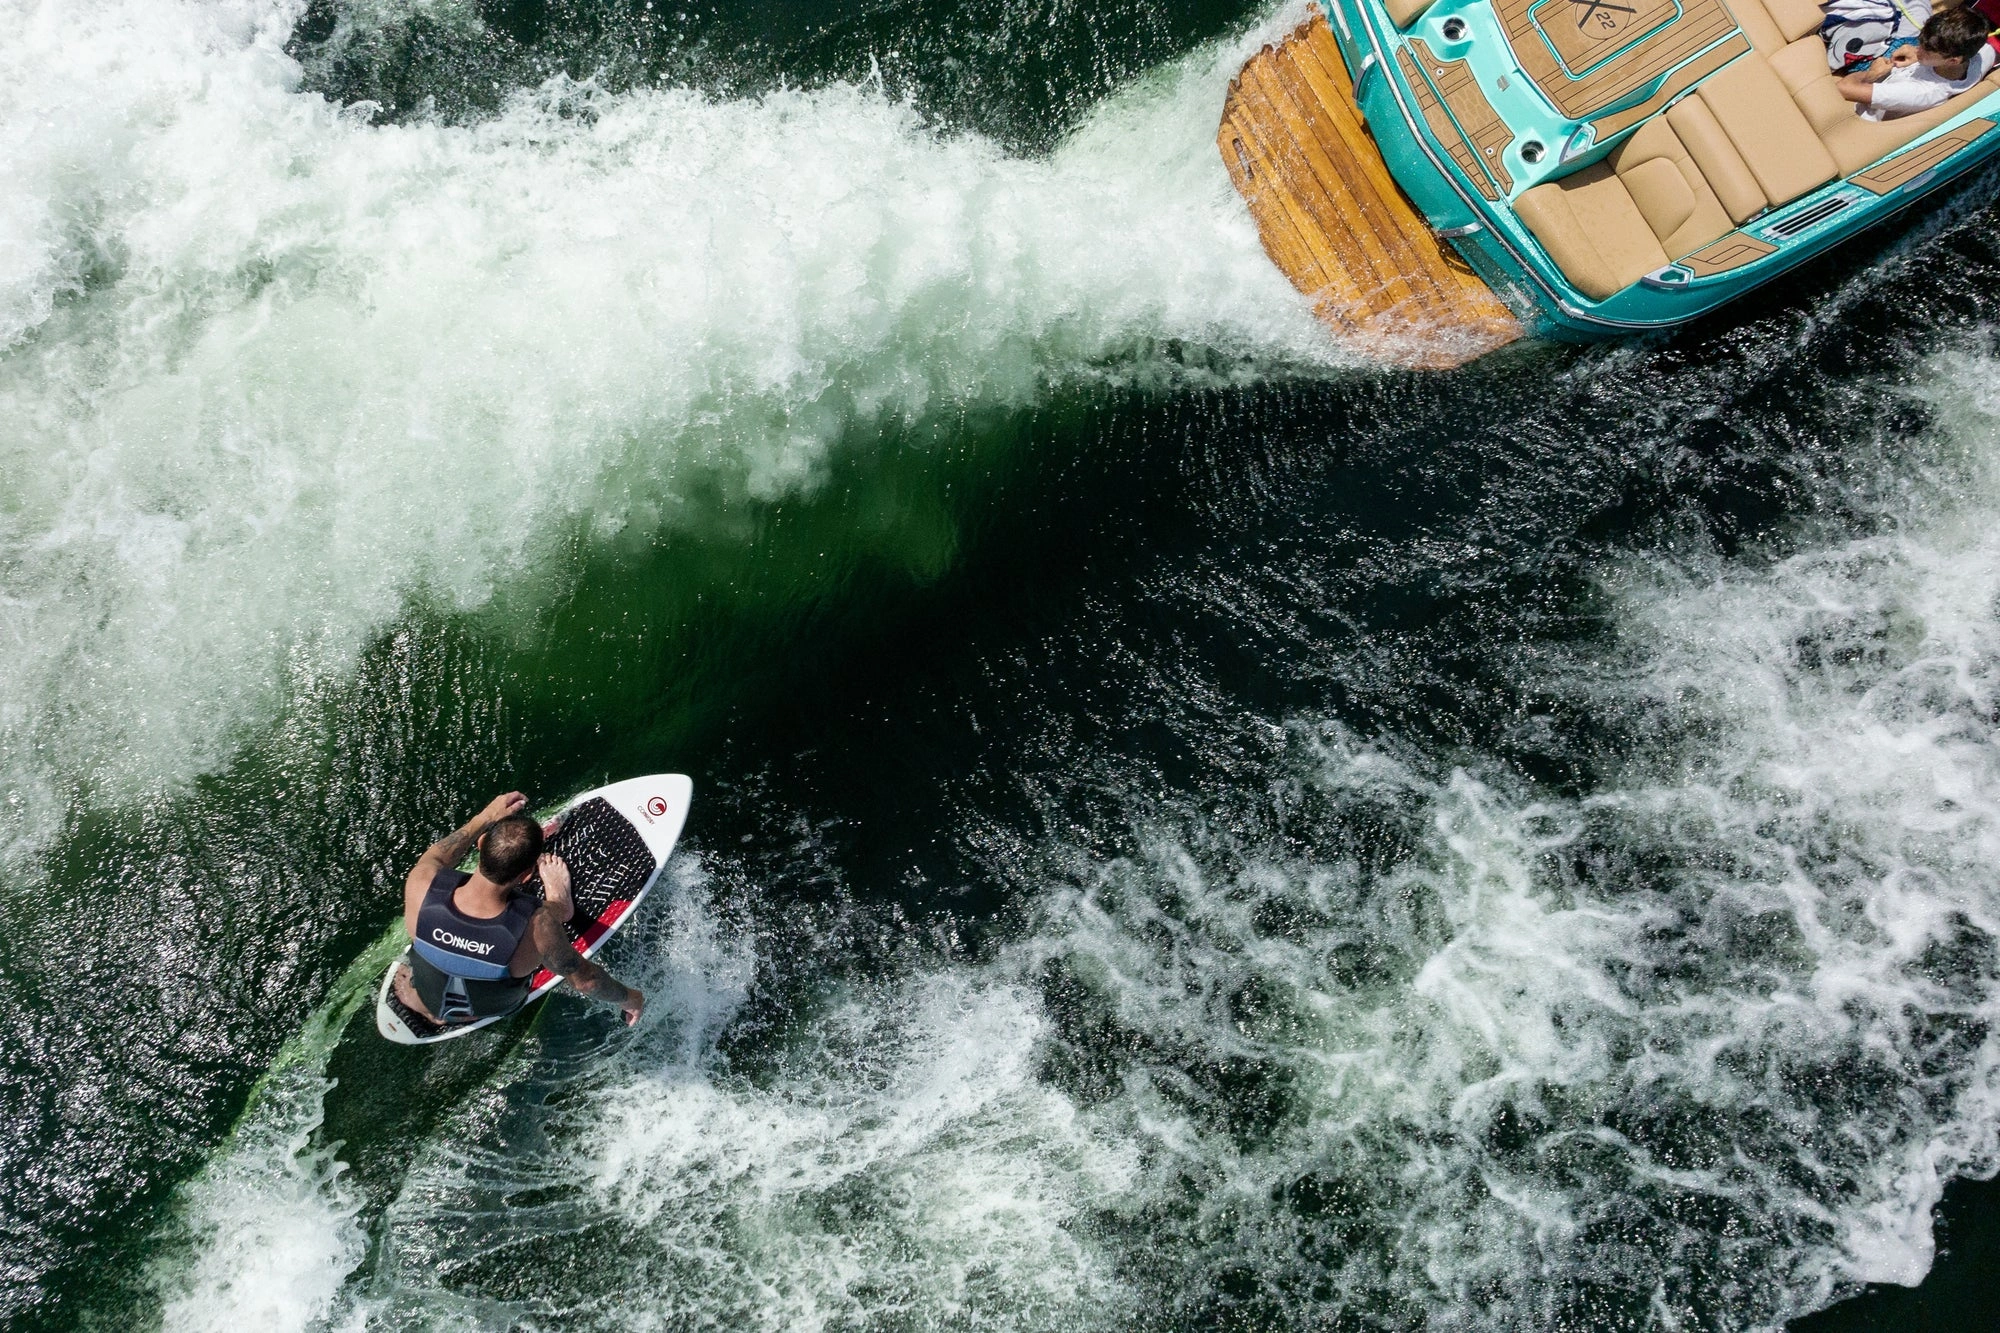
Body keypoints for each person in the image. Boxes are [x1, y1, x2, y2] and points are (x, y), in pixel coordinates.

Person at [391, 792, 645, 1028]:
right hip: (490, 1006)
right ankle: (560, 903)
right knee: (546, 926)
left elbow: (437, 856)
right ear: (527, 875)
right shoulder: (537, 926)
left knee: (432, 959)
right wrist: (630, 998)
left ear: (481, 843)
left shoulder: (421, 882)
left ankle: (429, 1008)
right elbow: (587, 982)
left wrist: (486, 816)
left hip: (429, 991)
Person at [1838, 7, 1995, 119]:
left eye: (1927, 49)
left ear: (1953, 60)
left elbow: (1843, 89)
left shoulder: (1918, 92)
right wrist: (1918, 54)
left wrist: (1871, 74)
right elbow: (1990, 48)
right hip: (1898, 68)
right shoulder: (1983, 55)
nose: (1919, 49)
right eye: (1921, 41)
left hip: (1859, 101)